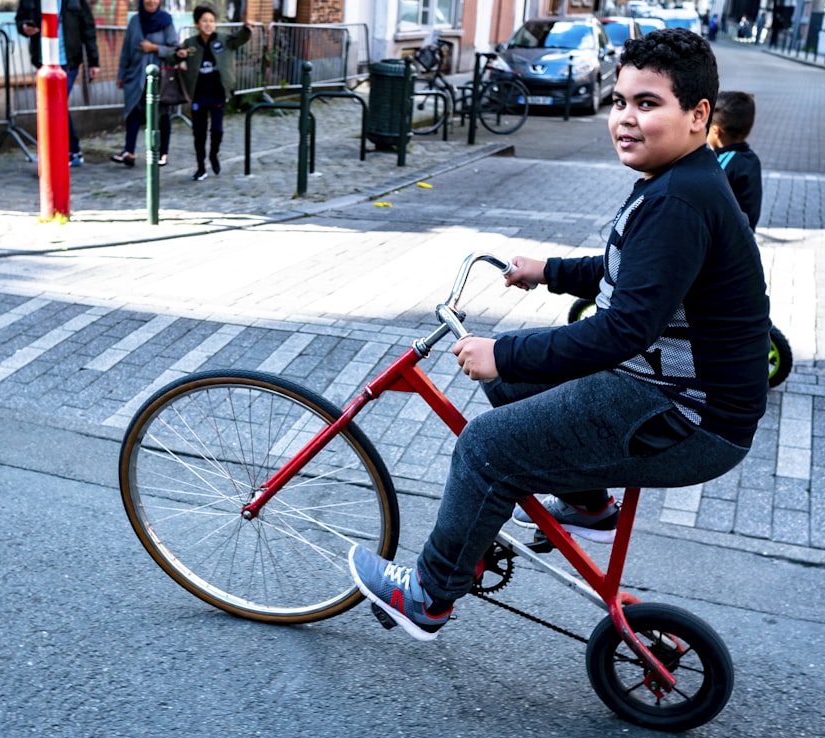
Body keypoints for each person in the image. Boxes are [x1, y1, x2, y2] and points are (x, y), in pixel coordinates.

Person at [348, 27, 771, 642]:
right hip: (679, 395)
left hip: (686, 414)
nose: (625, 119)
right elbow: (632, 273)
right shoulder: (682, 181)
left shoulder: (681, 201)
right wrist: (547, 272)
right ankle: (590, 505)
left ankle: (428, 596)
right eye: (619, 101)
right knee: (519, 384)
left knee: (485, 448)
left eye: (647, 104)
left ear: (698, 114)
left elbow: (623, 328)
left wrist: (502, 350)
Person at [15, 0, 100, 168]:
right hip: (43, 61)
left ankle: (71, 150)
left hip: (69, 62)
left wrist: (93, 61)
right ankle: (60, 150)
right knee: (52, 106)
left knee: (56, 104)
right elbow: (20, 19)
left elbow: (88, 28)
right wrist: (25, 27)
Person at [173, 4, 252, 181]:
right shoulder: (191, 43)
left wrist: (246, 28)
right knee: (198, 132)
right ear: (197, 24)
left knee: (217, 130)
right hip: (198, 93)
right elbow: (175, 55)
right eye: (204, 21)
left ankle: (214, 155)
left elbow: (240, 39)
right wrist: (179, 55)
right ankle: (201, 167)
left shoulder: (223, 40)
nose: (208, 24)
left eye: (211, 21)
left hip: (217, 92)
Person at [112, 0, 179, 168]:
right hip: (135, 75)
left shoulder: (166, 21)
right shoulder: (135, 21)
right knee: (133, 111)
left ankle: (163, 153)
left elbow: (175, 49)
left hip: (158, 76)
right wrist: (121, 74)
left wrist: (154, 48)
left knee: (162, 114)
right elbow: (126, 49)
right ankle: (129, 152)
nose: (151, 1)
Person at [708, 91, 763, 231]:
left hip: (726, 242)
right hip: (744, 237)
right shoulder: (750, 158)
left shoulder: (723, 165)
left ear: (716, 132)